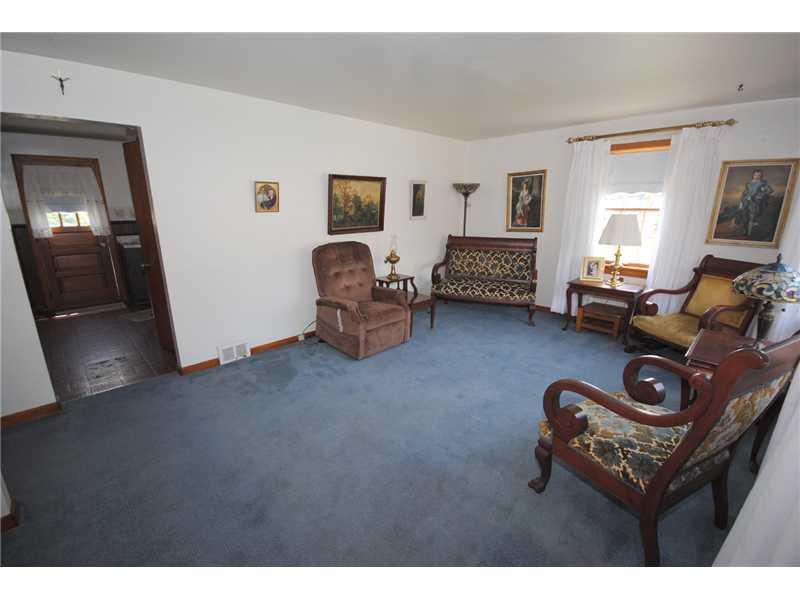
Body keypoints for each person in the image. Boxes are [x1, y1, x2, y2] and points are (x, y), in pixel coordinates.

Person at [738, 169, 773, 236]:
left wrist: (760, 195)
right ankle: (744, 231)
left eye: (759, 175)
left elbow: (770, 190)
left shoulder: (763, 183)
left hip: (755, 203)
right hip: (745, 202)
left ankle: (749, 234)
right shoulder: (748, 183)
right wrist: (741, 202)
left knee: (752, 217)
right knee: (745, 217)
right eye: (756, 175)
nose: (757, 176)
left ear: (761, 176)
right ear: (753, 175)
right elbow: (745, 193)